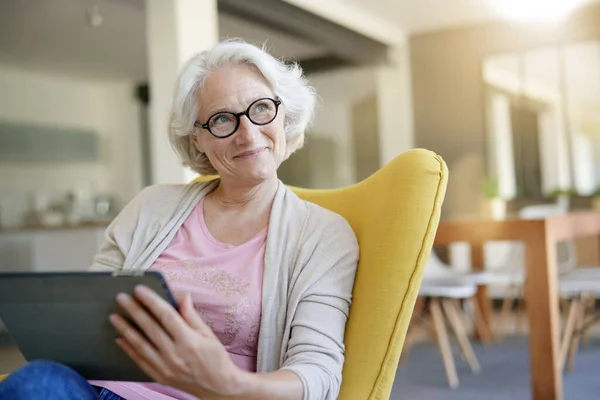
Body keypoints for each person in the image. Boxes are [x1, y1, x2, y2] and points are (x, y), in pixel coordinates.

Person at [0, 40, 359, 400]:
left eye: (262, 108)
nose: (248, 133)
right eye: (222, 119)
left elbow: (318, 376)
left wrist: (228, 383)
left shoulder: (323, 235)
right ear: (198, 138)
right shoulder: (152, 205)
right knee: (35, 382)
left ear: (285, 114)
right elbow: (86, 318)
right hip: (97, 391)